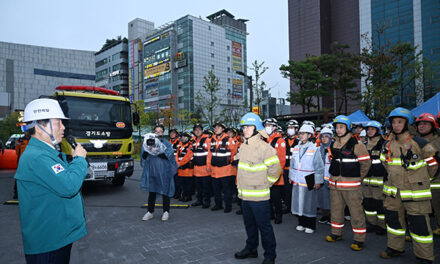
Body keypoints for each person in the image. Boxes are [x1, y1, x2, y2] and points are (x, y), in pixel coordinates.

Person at [15, 98, 88, 263]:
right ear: (40, 127)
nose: (63, 127)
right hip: (48, 244)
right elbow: (69, 185)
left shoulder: (45, 153)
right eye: (58, 122)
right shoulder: (37, 157)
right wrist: (79, 160)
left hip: (56, 237)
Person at [379, 108, 438, 264]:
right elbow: (385, 163)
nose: (396, 125)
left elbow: (434, 165)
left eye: (400, 122)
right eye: (393, 122)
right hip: (393, 193)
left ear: (408, 123)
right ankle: (395, 248)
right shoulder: (387, 144)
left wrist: (422, 179)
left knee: (419, 226)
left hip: (415, 193)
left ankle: (425, 256)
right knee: (393, 223)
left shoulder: (420, 143)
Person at [234, 112, 281, 264]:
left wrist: (267, 183)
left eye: (247, 127)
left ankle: (270, 256)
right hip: (245, 196)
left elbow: (276, 169)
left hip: (259, 196)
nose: (244, 130)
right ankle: (251, 249)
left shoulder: (264, 147)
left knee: (264, 227)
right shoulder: (244, 146)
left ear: (255, 128)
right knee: (249, 225)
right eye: (243, 127)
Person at [325, 115, 371, 251]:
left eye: (341, 127)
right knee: (336, 211)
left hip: (352, 187)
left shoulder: (358, 145)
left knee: (356, 213)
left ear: (348, 128)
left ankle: (359, 239)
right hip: (335, 185)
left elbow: (365, 164)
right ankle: (336, 233)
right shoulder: (333, 144)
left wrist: (358, 178)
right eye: (337, 127)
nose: (338, 130)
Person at [290, 124, 324, 233]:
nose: (301, 135)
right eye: (300, 133)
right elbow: (292, 164)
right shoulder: (295, 148)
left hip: (309, 180)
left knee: (309, 203)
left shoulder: (314, 149)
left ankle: (310, 225)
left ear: (309, 135)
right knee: (298, 202)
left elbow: (319, 167)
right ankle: (301, 223)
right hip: (297, 180)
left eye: (303, 133)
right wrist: (291, 177)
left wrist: (318, 181)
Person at [141, 125, 177, 222]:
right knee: (152, 191)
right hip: (152, 171)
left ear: (163, 133)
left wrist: (159, 151)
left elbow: (170, 157)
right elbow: (143, 157)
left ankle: (166, 211)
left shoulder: (167, 144)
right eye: (156, 131)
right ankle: (150, 211)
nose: (158, 133)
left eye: (160, 131)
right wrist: (148, 150)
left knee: (165, 191)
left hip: (164, 172)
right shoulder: (148, 142)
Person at [414, 113, 440, 236]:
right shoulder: (414, 141)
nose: (421, 126)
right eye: (419, 124)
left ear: (433, 126)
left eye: (425, 124)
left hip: (436, 180)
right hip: (419, 180)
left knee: (437, 206)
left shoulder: (438, 141)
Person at [362, 121, 387, 236]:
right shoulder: (364, 144)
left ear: (378, 130)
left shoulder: (384, 144)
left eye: (372, 129)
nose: (369, 131)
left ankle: (382, 225)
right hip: (366, 180)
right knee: (368, 203)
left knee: (379, 204)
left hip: (379, 179)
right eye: (368, 129)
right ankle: (372, 223)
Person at [207, 122, 237, 213]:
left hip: (225, 170)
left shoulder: (229, 140)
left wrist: (230, 162)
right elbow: (209, 154)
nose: (216, 129)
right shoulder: (211, 140)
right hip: (214, 169)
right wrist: (208, 165)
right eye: (215, 128)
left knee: (226, 189)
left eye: (218, 127)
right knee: (216, 189)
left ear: (223, 129)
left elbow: (234, 153)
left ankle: (228, 206)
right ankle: (218, 204)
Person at [264, 118, 286, 224]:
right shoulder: (263, 140)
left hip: (275, 173)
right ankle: (270, 214)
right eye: (266, 125)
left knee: (276, 197)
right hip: (264, 172)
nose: (267, 127)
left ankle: (279, 215)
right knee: (267, 197)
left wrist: (277, 173)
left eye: (270, 125)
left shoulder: (279, 141)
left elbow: (282, 159)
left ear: (275, 127)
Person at [191, 123, 212, 208]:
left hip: (204, 168)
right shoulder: (193, 140)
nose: (197, 131)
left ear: (202, 131)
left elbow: (210, 154)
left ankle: (207, 202)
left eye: (199, 129)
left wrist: (208, 166)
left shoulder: (207, 140)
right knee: (198, 187)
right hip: (196, 168)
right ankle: (199, 200)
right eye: (196, 130)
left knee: (206, 187)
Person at [317, 127, 333, 224]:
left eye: (326, 137)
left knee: (332, 200)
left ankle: (332, 217)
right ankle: (325, 215)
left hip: (331, 178)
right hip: (322, 178)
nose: (324, 139)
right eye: (322, 137)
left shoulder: (334, 148)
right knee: (322, 198)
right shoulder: (319, 149)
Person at [283, 120, 299, 215]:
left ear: (296, 129)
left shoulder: (299, 141)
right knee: (287, 189)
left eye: (292, 128)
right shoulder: (283, 141)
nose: (290, 130)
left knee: (296, 190)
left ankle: (296, 208)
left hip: (296, 170)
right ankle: (288, 206)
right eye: (289, 128)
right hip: (285, 169)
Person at [176, 132, 194, 202]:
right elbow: (176, 155)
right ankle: (183, 195)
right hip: (180, 169)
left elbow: (188, 156)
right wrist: (177, 162)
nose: (183, 138)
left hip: (187, 169)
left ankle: (188, 196)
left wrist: (180, 163)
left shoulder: (190, 146)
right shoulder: (179, 145)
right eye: (182, 136)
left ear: (188, 138)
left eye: (185, 137)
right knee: (181, 184)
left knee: (188, 184)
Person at [13, 132, 31, 199]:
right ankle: (16, 193)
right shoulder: (20, 140)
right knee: (19, 176)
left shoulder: (34, 140)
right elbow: (17, 151)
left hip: (31, 161)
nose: (27, 133)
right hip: (22, 161)